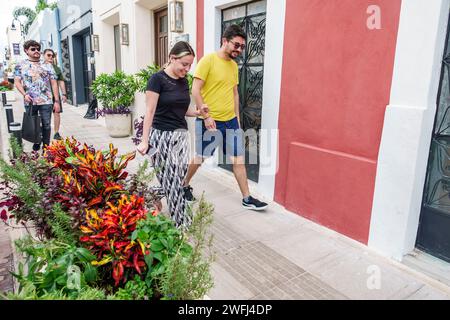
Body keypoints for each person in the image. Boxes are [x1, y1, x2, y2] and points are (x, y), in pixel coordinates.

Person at [183, 24, 268, 211]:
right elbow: (195, 90)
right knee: (200, 157)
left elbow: (235, 93)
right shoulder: (208, 61)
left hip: (230, 121)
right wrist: (206, 117)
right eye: (236, 45)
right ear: (224, 41)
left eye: (242, 47)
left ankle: (247, 198)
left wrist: (237, 119)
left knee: (238, 159)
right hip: (210, 121)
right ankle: (183, 184)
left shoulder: (233, 66)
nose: (239, 50)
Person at [137, 41, 202, 228]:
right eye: (184, 64)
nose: (187, 69)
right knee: (172, 182)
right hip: (160, 137)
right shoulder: (156, 80)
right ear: (172, 58)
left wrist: (197, 112)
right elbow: (149, 111)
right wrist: (144, 141)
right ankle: (181, 223)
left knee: (178, 180)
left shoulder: (183, 81)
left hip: (181, 136)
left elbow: (181, 108)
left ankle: (148, 194)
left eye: (190, 65)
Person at [14, 40, 61, 152]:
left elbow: (54, 83)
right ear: (26, 50)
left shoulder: (48, 65)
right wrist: (24, 94)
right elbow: (17, 82)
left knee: (46, 125)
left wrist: (57, 101)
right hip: (30, 101)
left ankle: (46, 147)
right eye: (33, 49)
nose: (36, 51)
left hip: (46, 101)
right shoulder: (20, 65)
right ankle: (36, 141)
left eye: (38, 49)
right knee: (33, 124)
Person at [43, 49, 67, 140]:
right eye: (48, 55)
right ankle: (43, 133)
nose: (51, 57)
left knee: (57, 113)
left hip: (55, 96)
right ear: (43, 55)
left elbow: (61, 82)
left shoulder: (56, 68)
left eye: (52, 56)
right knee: (44, 115)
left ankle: (56, 133)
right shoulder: (40, 67)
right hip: (44, 97)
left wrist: (64, 94)